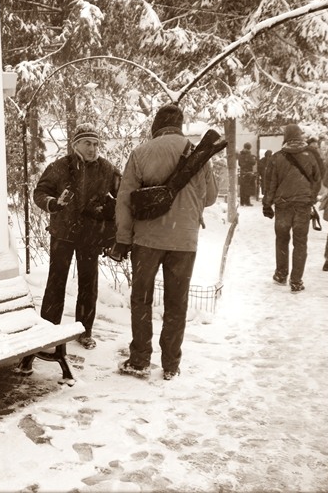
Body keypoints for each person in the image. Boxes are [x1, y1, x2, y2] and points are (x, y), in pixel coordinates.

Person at [110, 104, 217, 381]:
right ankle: (170, 364)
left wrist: (123, 239)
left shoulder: (141, 152)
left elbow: (125, 199)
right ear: (180, 126)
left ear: (156, 125)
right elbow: (210, 197)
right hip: (184, 240)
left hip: (148, 239)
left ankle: (140, 359)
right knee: (176, 303)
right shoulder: (198, 153)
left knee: (142, 299)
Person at [31, 123, 121, 350]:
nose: (92, 148)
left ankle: (84, 331)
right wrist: (53, 203)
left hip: (91, 235)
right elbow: (40, 192)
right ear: (76, 144)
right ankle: (49, 331)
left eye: (96, 144)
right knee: (56, 283)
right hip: (62, 233)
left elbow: (123, 193)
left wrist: (111, 209)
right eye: (87, 143)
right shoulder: (60, 166)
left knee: (89, 285)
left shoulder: (106, 169)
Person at [262, 124, 322, 292]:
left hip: (283, 206)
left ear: (286, 137)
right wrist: (310, 198)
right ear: (300, 136)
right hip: (303, 206)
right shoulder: (310, 156)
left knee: (282, 240)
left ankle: (281, 274)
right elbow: (317, 180)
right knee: (300, 243)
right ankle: (296, 281)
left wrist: (267, 204)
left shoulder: (277, 157)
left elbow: (270, 184)